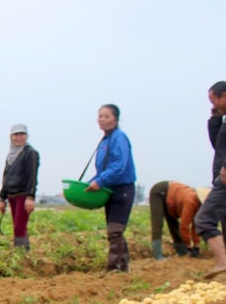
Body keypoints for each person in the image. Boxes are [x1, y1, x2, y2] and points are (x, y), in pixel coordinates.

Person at [86, 104, 136, 272]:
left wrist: (100, 181)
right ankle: (123, 266)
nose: (102, 119)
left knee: (115, 230)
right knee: (114, 231)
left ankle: (114, 268)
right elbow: (102, 170)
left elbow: (119, 165)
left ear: (115, 119)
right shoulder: (105, 140)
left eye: (107, 116)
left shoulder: (119, 137)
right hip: (110, 189)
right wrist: (90, 183)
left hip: (122, 188)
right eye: (100, 116)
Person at [197, 81, 226, 278]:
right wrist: (215, 119)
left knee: (204, 219)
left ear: (224, 96)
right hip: (220, 177)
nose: (213, 105)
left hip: (223, 179)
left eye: (214, 100)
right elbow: (219, 146)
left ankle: (222, 262)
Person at [0, 123, 39, 250]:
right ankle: (24, 252)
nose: (19, 138)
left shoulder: (30, 153)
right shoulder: (11, 155)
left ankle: (20, 254)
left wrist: (30, 197)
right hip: (12, 195)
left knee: (19, 227)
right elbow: (6, 176)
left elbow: (32, 175)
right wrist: (2, 198)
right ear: (11, 137)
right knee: (18, 225)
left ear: (26, 136)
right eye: (16, 135)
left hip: (23, 195)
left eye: (22, 134)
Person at [148, 181, 205, 260]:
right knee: (157, 223)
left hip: (172, 199)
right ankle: (157, 255)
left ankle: (182, 252)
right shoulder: (191, 202)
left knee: (174, 225)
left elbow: (196, 225)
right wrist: (188, 245)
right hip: (159, 192)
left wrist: (196, 245)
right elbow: (184, 226)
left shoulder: (200, 207)